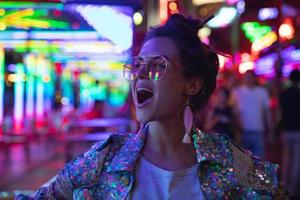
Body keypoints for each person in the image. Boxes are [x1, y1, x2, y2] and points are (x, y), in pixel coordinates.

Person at [17, 14, 287, 199]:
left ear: (191, 85)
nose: (141, 74)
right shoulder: (104, 160)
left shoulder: (229, 161)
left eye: (158, 66)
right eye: (137, 65)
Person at [232, 70, 272, 158]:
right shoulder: (237, 92)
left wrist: (270, 130)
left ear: (254, 78)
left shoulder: (262, 92)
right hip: (242, 132)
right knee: (243, 163)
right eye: (246, 77)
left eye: (250, 77)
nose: (248, 79)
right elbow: (234, 112)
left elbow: (267, 113)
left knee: (259, 162)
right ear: (243, 78)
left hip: (258, 131)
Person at [280, 69, 300, 198]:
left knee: (286, 158)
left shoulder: (284, 94)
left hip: (286, 129)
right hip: (298, 130)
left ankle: (283, 185)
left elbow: (279, 112)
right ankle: (292, 189)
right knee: (297, 160)